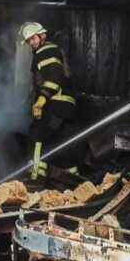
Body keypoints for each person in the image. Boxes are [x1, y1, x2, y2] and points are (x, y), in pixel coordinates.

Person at [18, 22, 82, 179]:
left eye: (33, 38)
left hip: (55, 103)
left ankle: (35, 180)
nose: (31, 43)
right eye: (28, 41)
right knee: (63, 143)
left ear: (42, 35)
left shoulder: (45, 51)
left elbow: (55, 75)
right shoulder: (54, 50)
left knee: (36, 135)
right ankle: (74, 180)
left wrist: (41, 100)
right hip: (66, 106)